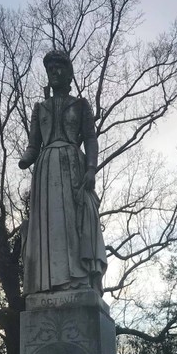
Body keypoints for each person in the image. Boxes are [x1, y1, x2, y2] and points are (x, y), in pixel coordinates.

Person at [19, 50, 107, 296]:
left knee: (73, 223)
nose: (54, 72)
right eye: (50, 69)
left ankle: (77, 277)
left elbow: (90, 138)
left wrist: (91, 168)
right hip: (46, 169)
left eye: (59, 68)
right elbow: (33, 144)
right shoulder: (40, 108)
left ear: (69, 73)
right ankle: (50, 281)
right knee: (50, 225)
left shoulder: (80, 105)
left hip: (72, 165)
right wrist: (27, 158)